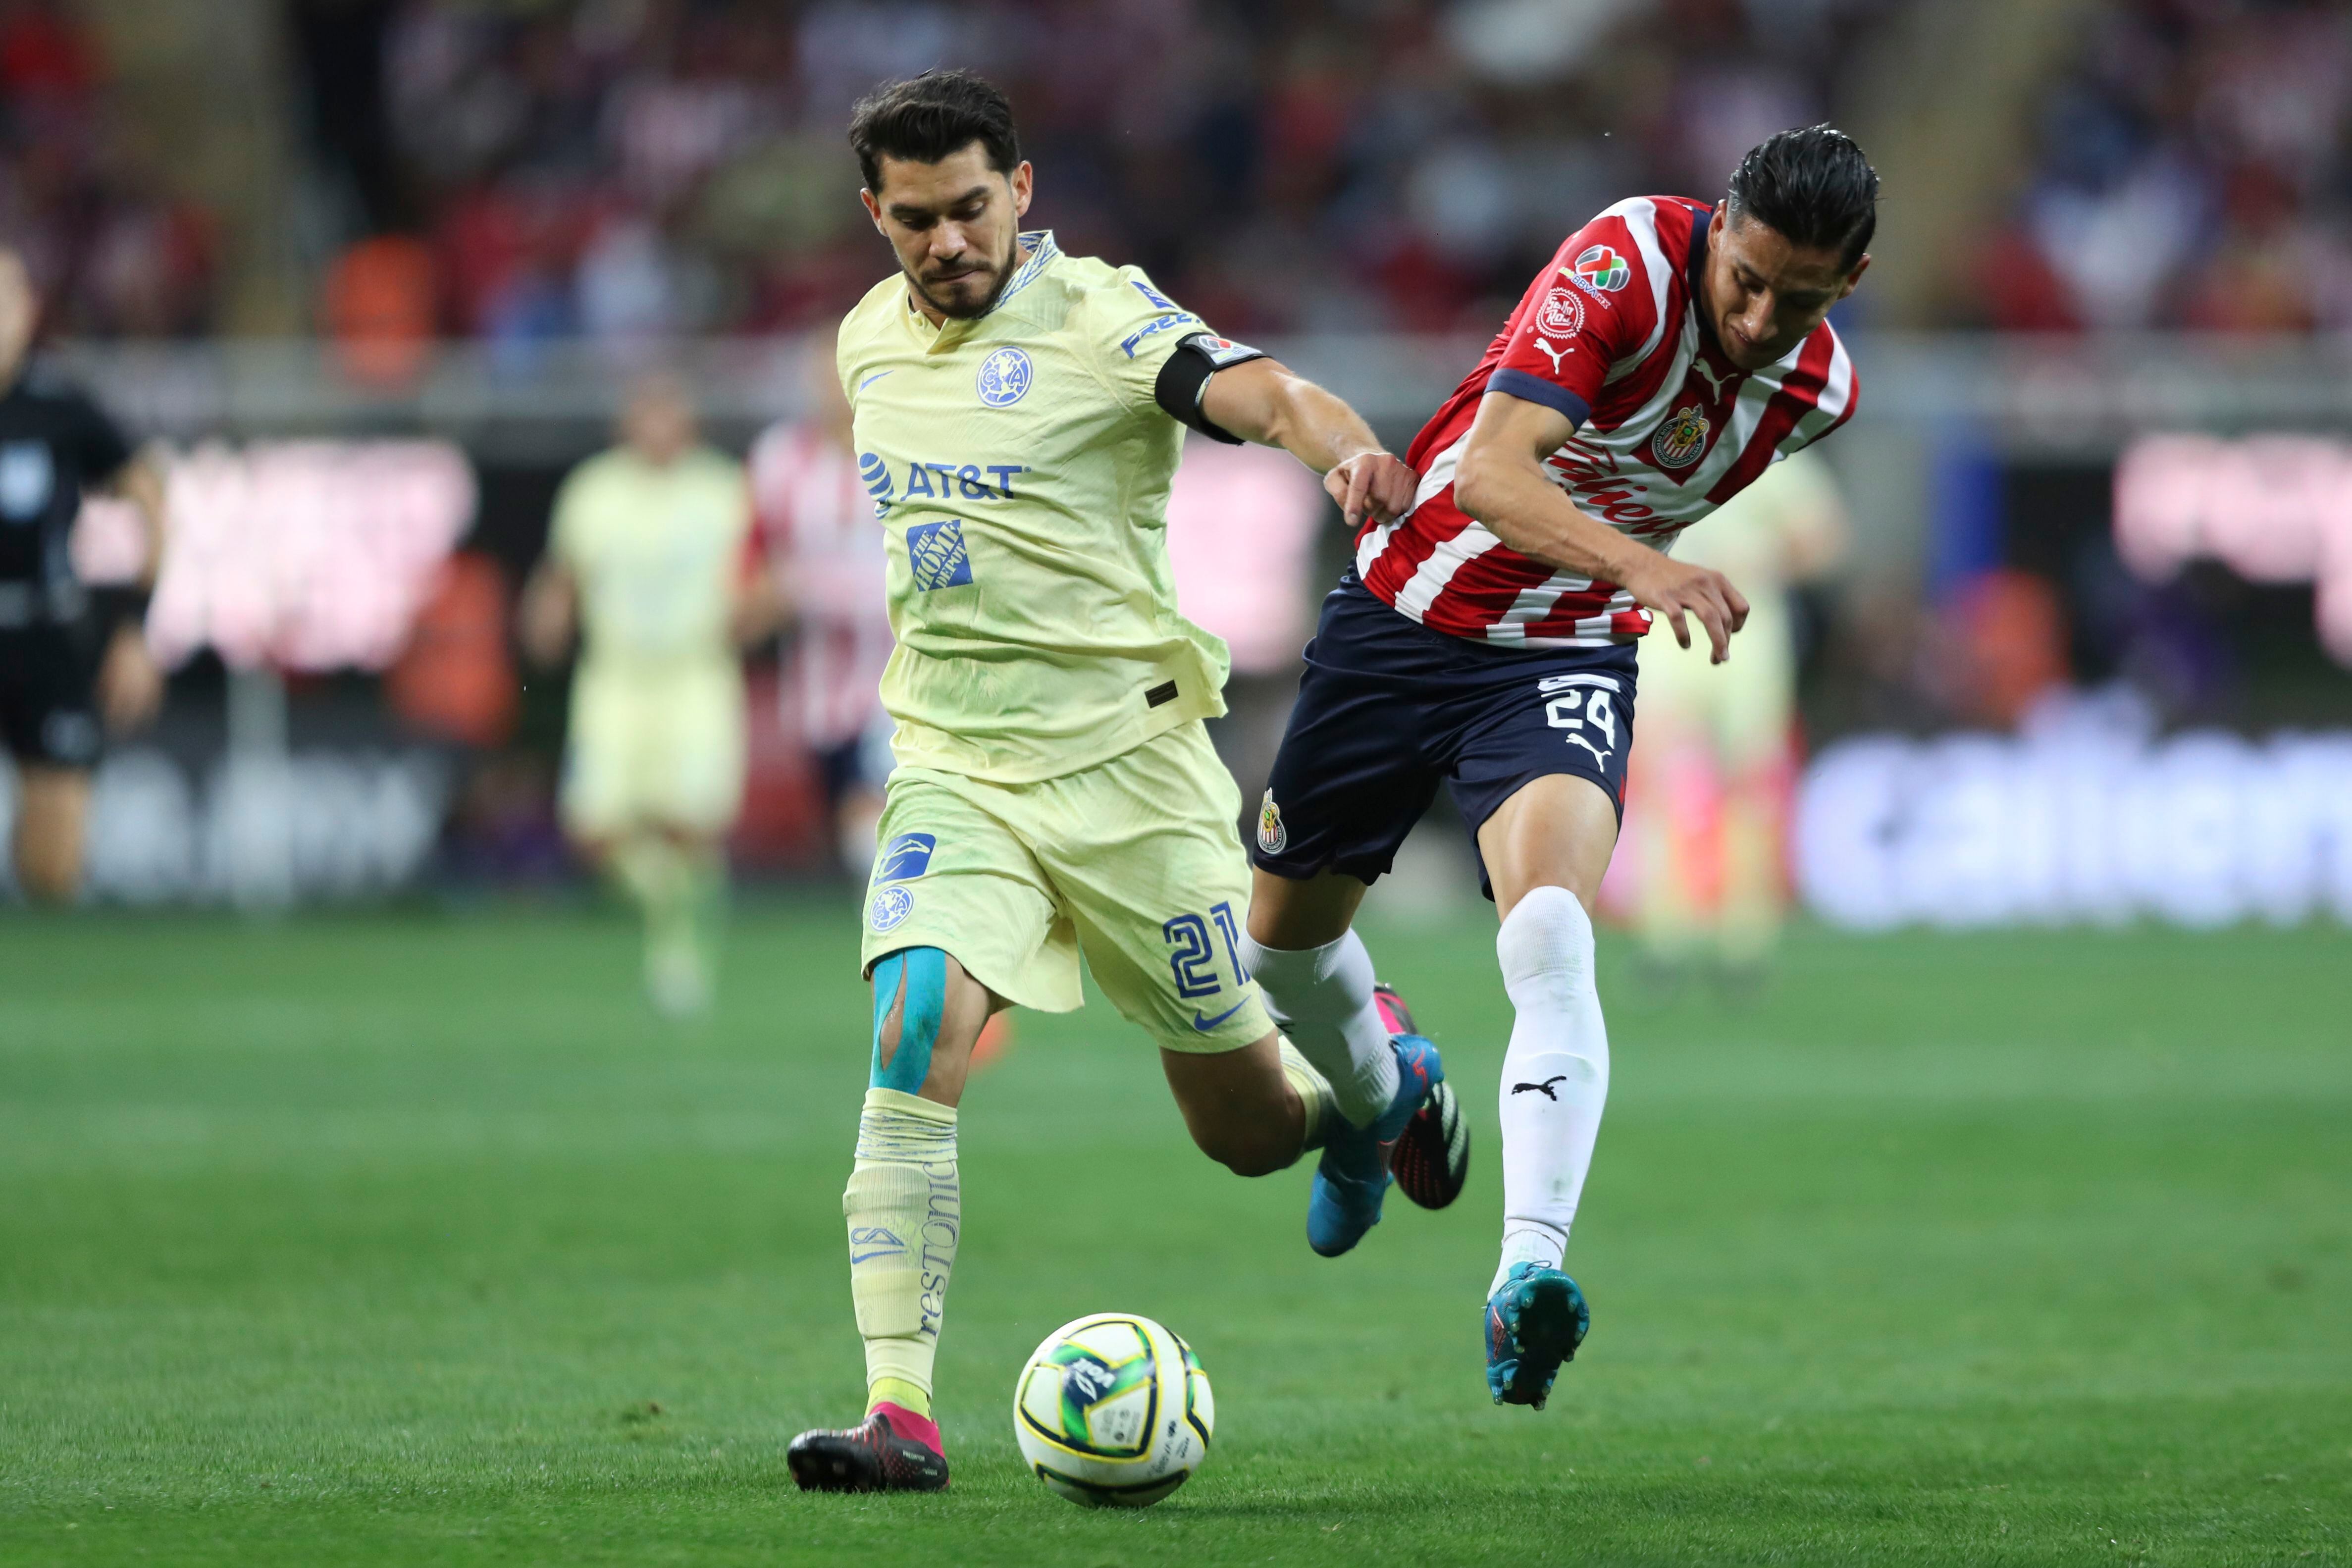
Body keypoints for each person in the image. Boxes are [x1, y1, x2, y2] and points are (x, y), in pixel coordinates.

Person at [787, 71, 1461, 1495]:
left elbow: (1260, 389)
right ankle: (898, 1408)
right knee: (913, 1026)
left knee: (1246, 1135)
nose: (945, 240)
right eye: (913, 219)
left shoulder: (1100, 317)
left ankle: (1365, 1075)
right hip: (956, 764)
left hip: (1132, 775)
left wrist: (1344, 450)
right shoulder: (865, 343)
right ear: (876, 217)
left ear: (1020, 191)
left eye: (971, 207)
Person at [1241, 125, 1873, 1411]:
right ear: (1717, 227)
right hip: (1405, 612)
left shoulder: (1818, 398)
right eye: (1744, 279)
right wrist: (1645, 565)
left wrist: (1619, 586)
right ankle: (1384, 1087)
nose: (1757, 317)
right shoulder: (1626, 258)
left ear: (1844, 287)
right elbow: (1483, 470)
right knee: (1281, 956)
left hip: (1564, 652)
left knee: (1548, 933)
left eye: (1795, 299)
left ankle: (1522, 1276)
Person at [520, 370, 766, 1017]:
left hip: (695, 672)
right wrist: (547, 615)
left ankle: (679, 953)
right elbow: (563, 574)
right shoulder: (594, 491)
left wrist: (756, 611)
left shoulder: (722, 489)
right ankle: (668, 909)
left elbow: (757, 574)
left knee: (691, 822)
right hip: (616, 676)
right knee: (595, 826)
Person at [1624, 447, 1847, 983]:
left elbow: (1828, 540)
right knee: (1661, 784)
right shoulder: (1658, 444)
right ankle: (1667, 936)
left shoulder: (1764, 452)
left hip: (1747, 634)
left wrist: (1763, 559)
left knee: (1749, 785)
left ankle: (1744, 939)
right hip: (1669, 631)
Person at [0, 245, 167, 903]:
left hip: (41, 631)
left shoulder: (58, 406)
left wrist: (135, 627)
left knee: (55, 859)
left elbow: (148, 495)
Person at [746, 331, 897, 877]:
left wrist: (809, 587)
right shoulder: (781, 460)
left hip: (900, 675)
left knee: (875, 821)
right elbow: (754, 562)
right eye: (822, 372)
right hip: (818, 690)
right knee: (851, 825)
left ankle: (910, 940)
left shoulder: (910, 452)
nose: (833, 385)